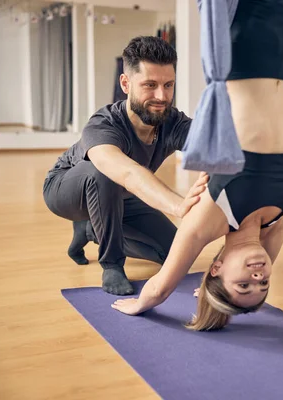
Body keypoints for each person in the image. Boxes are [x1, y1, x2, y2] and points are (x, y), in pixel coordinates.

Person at [110, 0, 283, 330]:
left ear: (217, 267)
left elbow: (162, 285)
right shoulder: (276, 221)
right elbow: (268, 256)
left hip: (250, 47)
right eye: (263, 285)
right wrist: (218, 288)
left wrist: (144, 302)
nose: (258, 276)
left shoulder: (212, 217)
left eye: (244, 284)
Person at [43, 36, 208, 296]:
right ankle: (111, 263)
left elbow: (210, 144)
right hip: (65, 189)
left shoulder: (171, 122)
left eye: (168, 85)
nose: (161, 96)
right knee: (103, 173)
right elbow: (126, 172)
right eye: (150, 85)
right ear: (125, 83)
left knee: (175, 250)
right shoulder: (103, 124)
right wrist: (178, 205)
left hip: (119, 196)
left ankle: (90, 228)